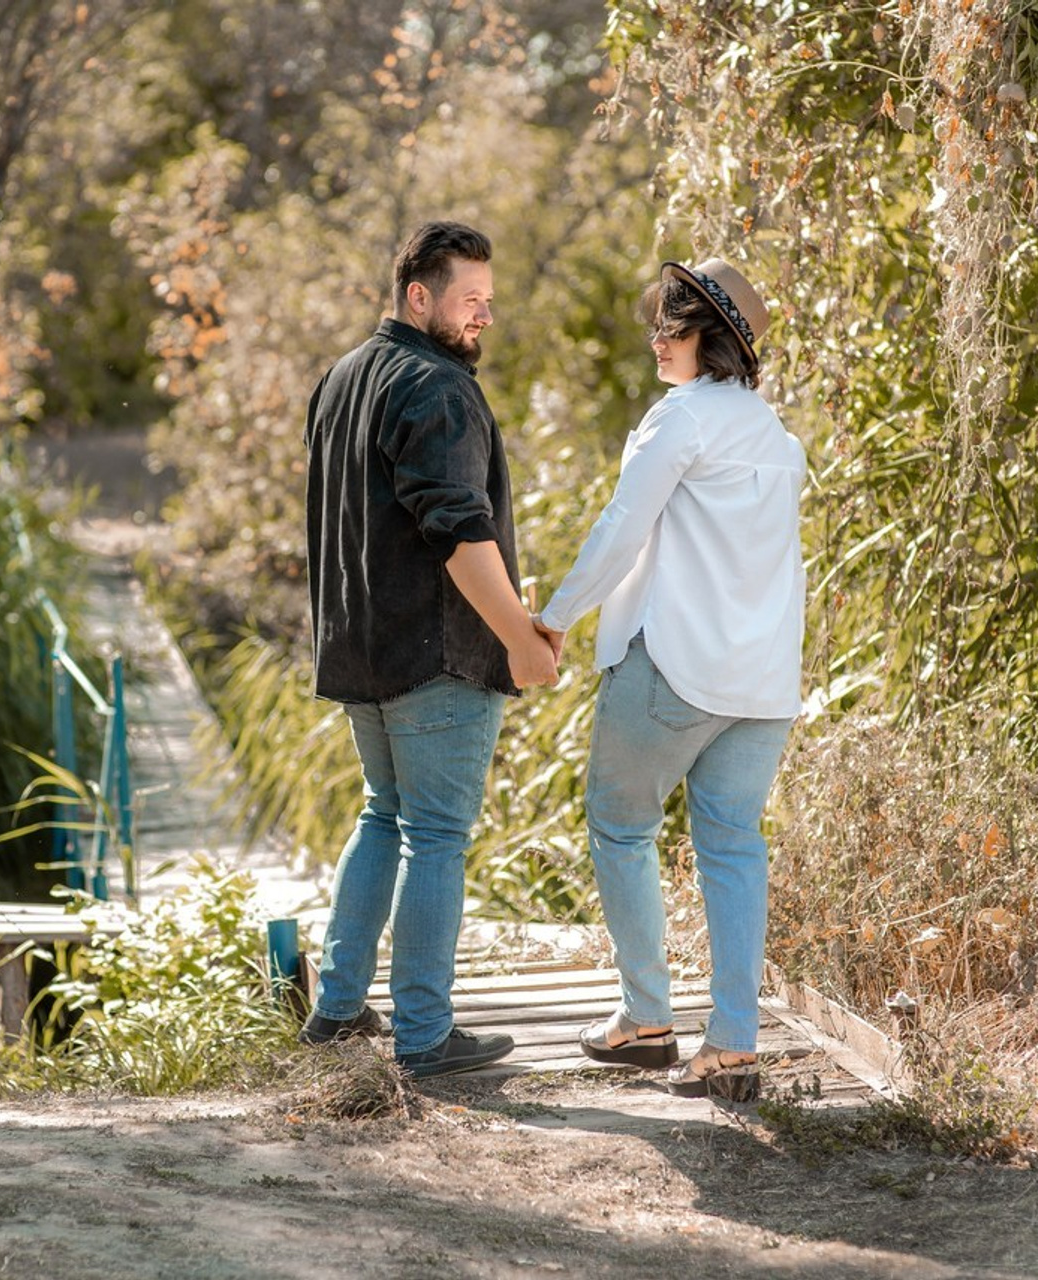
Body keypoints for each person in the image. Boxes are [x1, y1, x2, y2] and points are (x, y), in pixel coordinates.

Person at [535, 259, 805, 1101]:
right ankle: (731, 1044)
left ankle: (647, 1020)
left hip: (675, 668)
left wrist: (554, 618)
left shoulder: (679, 419)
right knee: (731, 846)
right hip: (761, 685)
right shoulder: (778, 438)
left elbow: (622, 529)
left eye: (672, 326)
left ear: (709, 340)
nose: (656, 339)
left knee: (620, 828)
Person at [299, 221, 559, 1079]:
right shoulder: (437, 389)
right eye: (469, 300)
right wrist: (519, 639)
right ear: (420, 296)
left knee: (384, 814)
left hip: (360, 652)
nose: (485, 315)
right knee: (437, 835)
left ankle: (336, 1013)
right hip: (435, 657)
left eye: (490, 300)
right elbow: (457, 531)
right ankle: (422, 1037)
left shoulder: (341, 377)